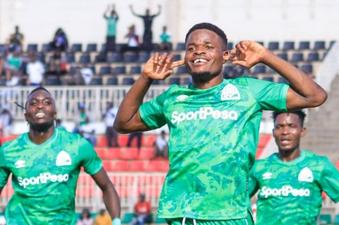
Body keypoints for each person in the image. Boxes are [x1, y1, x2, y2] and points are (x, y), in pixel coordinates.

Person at [113, 22, 327, 224]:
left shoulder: (248, 91)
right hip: (180, 213)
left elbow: (314, 96)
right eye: (191, 48)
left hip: (230, 214)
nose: (198, 52)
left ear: (225, 56)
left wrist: (265, 56)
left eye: (208, 47)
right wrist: (145, 78)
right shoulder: (173, 97)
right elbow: (124, 123)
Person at [0, 87, 121, 224]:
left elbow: (107, 186)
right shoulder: (9, 150)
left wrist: (116, 221)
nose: (40, 106)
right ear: (26, 115)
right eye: (33, 103)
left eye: (47, 102)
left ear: (55, 113)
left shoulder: (77, 146)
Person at [249, 110, 339, 225]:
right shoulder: (260, 167)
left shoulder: (319, 165)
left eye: (291, 126)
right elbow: (236, 200)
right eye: (279, 127)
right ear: (273, 132)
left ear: (302, 131)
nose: (285, 131)